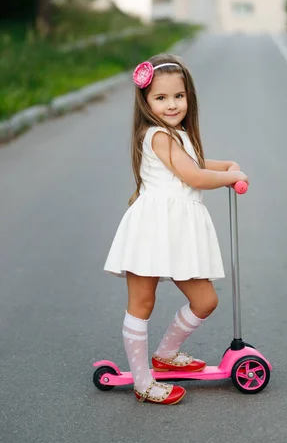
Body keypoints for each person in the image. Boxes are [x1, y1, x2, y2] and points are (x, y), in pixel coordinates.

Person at [104, 53, 248, 405]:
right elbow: (195, 176)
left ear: (189, 98)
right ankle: (143, 381)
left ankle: (166, 352)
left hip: (178, 232)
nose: (171, 105)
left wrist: (228, 164)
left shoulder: (178, 136)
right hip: (152, 230)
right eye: (161, 97)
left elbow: (197, 163)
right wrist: (232, 177)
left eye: (178, 97)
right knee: (142, 301)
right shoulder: (157, 136)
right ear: (146, 100)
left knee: (205, 299)